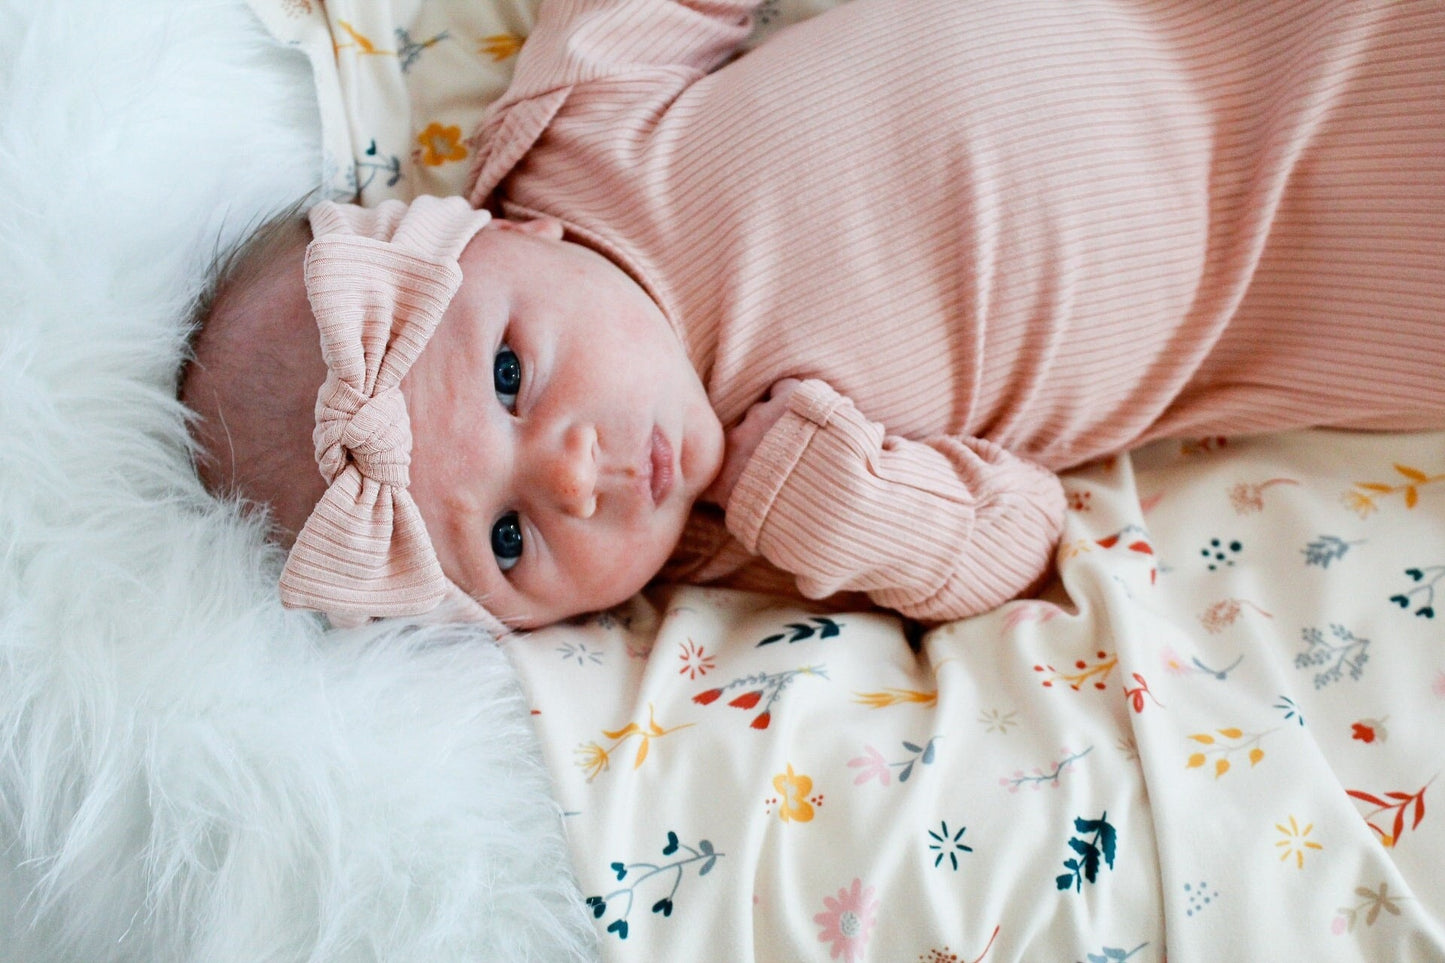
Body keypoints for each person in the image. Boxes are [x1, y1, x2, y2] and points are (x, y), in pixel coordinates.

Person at [181, 0, 1445, 632]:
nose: (573, 479)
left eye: (511, 378)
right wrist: (865, 514)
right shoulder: (740, 538)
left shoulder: (579, 138)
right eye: (508, 544)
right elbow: (1018, 530)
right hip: (1285, 268)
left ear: (502, 234)